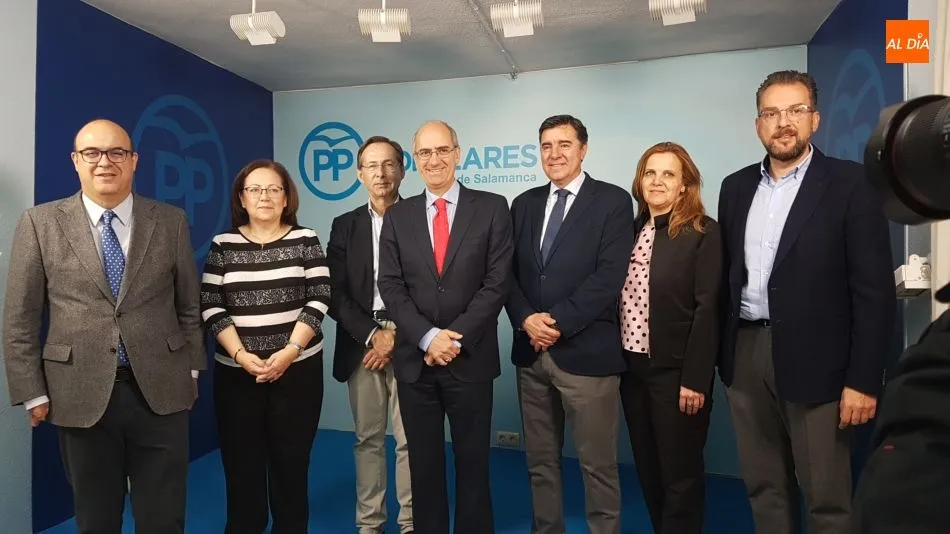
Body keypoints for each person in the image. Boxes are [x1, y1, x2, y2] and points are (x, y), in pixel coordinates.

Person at [2, 118, 204, 533]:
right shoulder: (39, 223)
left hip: (162, 390)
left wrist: (192, 368)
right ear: (76, 161)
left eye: (116, 153)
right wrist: (31, 390)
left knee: (164, 517)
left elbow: (189, 305)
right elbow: (20, 318)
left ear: (134, 161)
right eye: (91, 153)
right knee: (95, 518)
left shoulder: (170, 221)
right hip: (77, 392)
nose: (104, 162)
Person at [717, 70, 896, 534]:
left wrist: (863, 381)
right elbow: (727, 278)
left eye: (796, 110)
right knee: (763, 486)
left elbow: (874, 292)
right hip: (747, 355)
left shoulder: (851, 184)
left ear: (814, 119)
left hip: (822, 364)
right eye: (772, 113)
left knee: (826, 498)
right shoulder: (735, 188)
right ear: (758, 124)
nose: (783, 122)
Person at [377, 120, 514, 534]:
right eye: (424, 153)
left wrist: (451, 338)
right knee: (423, 463)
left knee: (473, 462)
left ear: (458, 152)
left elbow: (497, 282)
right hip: (415, 363)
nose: (434, 159)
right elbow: (391, 284)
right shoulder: (397, 215)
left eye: (442, 150)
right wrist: (426, 337)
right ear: (414, 161)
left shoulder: (492, 207)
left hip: (469, 357)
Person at [506, 114, 634, 534]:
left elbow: (609, 276)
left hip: (587, 356)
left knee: (597, 466)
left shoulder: (612, 201)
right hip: (531, 355)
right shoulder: (522, 204)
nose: (554, 154)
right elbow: (508, 275)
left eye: (564, 144)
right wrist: (526, 319)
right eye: (546, 145)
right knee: (539, 463)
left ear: (583, 149)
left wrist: (555, 323)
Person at [199, 159, 330, 534]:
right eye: (255, 189)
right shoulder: (224, 244)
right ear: (242, 197)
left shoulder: (306, 239)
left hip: (298, 370)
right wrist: (242, 356)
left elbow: (319, 297)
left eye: (274, 189)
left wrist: (289, 352)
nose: (265, 197)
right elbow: (211, 304)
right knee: (242, 466)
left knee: (291, 463)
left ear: (287, 197)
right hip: (237, 376)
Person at [619, 142, 721, 534]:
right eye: (650, 173)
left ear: (684, 185)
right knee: (647, 468)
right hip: (632, 371)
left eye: (668, 174)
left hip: (677, 375)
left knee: (680, 475)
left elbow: (707, 309)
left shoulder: (702, 233)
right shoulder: (627, 232)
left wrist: (695, 379)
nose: (657, 181)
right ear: (640, 181)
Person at [328, 136, 413, 534]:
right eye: (371, 165)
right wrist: (373, 335)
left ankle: (412, 522)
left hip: (412, 342)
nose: (381, 173)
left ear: (402, 168)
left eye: (389, 164)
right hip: (362, 344)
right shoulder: (345, 225)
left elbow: (434, 287)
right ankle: (370, 524)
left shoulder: (420, 217)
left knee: (412, 440)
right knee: (368, 440)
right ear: (360, 173)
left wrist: (396, 336)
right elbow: (334, 292)